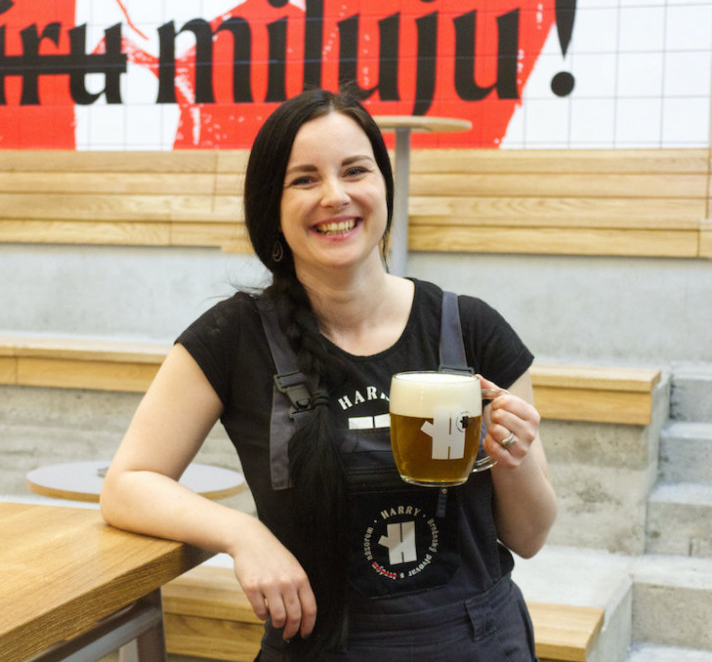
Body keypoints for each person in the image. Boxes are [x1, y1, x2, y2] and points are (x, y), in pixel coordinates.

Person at [99, 88, 556, 660]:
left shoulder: (471, 328)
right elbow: (127, 484)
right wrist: (243, 535)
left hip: (477, 643)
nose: (335, 196)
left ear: (385, 187)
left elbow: (529, 537)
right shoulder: (233, 337)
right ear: (271, 205)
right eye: (304, 179)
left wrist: (514, 455)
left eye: (355, 171)